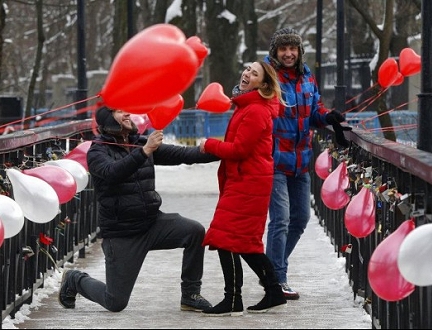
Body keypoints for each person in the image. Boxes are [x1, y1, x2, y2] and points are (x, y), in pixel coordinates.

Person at [58, 106, 219, 313]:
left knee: (194, 231)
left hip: (152, 223)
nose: (127, 114)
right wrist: (144, 152)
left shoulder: (139, 142)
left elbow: (182, 154)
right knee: (115, 302)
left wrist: (225, 151)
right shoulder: (98, 151)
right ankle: (75, 279)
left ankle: (190, 294)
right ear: (108, 119)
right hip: (122, 233)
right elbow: (112, 173)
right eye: (119, 111)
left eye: (126, 110)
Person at [264, 27, 351, 300]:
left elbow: (314, 112)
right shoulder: (266, 76)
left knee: (300, 218)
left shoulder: (307, 77)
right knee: (280, 220)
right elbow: (240, 94)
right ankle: (277, 277)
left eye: (293, 49)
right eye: (283, 49)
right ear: (275, 52)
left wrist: (329, 118)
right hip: (274, 159)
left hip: (300, 161)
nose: (288, 54)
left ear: (299, 51)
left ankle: (269, 269)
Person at [199, 61, 287, 316]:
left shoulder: (256, 111)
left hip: (249, 182)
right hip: (244, 180)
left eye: (254, 73)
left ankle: (234, 298)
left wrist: (210, 145)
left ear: (264, 84)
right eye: (247, 69)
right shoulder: (247, 107)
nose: (247, 74)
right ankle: (273, 291)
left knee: (227, 239)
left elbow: (239, 149)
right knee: (241, 241)